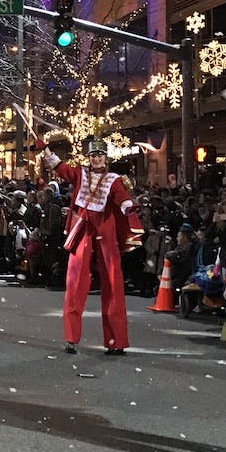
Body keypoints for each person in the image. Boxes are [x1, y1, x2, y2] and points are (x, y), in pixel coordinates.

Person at [37, 137, 143, 355]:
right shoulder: (80, 174)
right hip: (83, 228)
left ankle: (116, 341)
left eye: (99, 155)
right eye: (93, 155)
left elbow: (121, 197)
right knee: (75, 281)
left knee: (113, 281)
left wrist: (127, 206)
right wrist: (45, 150)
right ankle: (71, 338)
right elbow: (61, 168)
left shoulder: (114, 179)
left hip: (105, 227)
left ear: (106, 158)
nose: (96, 159)